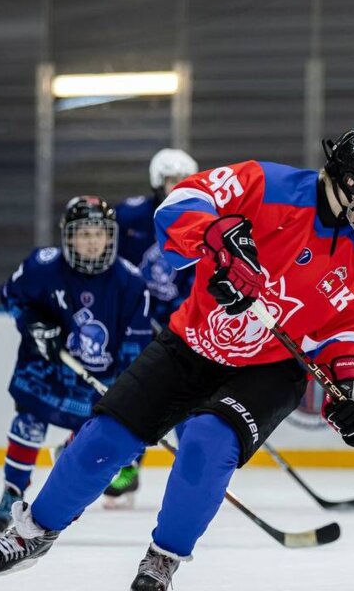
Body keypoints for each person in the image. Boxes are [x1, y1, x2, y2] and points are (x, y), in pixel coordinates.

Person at [0, 125, 354, 590]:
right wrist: (216, 238)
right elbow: (181, 204)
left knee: (207, 440)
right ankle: (34, 530)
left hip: (272, 367)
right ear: (349, 181)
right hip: (192, 342)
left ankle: (164, 558)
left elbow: (353, 334)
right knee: (106, 436)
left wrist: (350, 385)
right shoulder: (266, 185)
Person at [0, 195, 153, 533]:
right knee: (28, 423)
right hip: (47, 368)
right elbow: (12, 295)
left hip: (96, 378)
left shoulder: (130, 281)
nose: (92, 242)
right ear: (68, 236)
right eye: (83, 233)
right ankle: (12, 493)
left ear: (111, 236)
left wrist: (126, 386)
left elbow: (135, 342)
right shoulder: (43, 266)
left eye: (99, 233)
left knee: (88, 439)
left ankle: (64, 469)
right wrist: (33, 324)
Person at [98, 149, 200, 508]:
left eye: (183, 181)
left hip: (178, 326)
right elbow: (107, 263)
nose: (177, 187)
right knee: (135, 397)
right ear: (158, 182)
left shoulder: (198, 218)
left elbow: (199, 279)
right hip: (133, 326)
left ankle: (193, 473)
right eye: (171, 180)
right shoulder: (130, 216)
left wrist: (183, 317)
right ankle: (127, 468)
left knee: (186, 398)